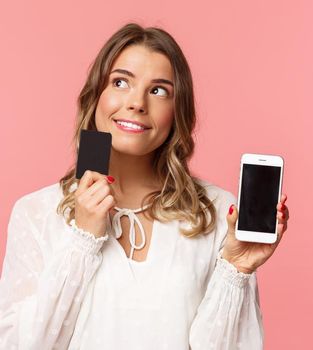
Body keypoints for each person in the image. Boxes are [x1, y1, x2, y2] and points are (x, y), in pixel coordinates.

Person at [0, 22, 290, 349]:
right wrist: (82, 240)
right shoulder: (36, 213)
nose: (137, 102)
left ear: (177, 111)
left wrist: (235, 269)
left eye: (158, 90)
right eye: (120, 82)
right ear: (95, 96)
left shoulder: (218, 212)